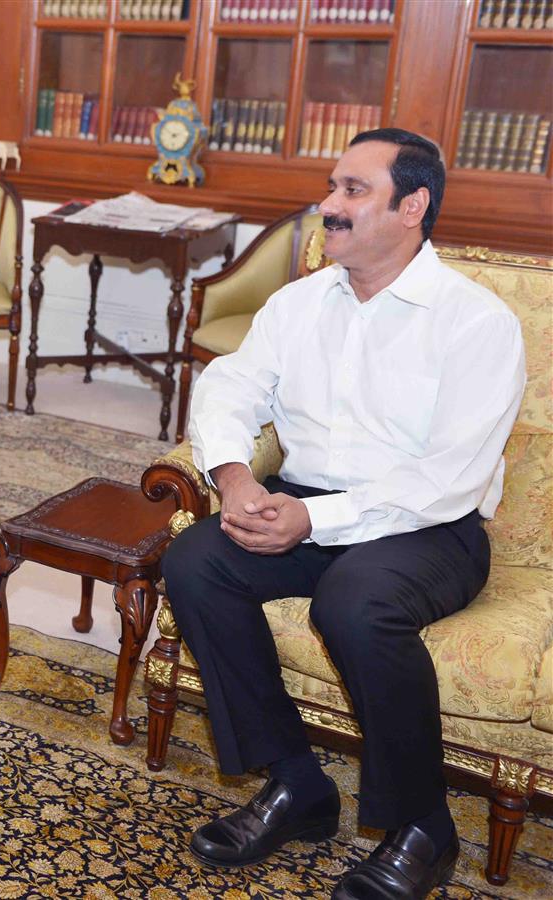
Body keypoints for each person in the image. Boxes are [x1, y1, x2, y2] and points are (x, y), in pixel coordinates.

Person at [163, 129, 525, 900]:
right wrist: (233, 479)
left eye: (353, 191)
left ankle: (423, 826)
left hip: (429, 527)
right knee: (195, 562)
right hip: (309, 504)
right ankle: (298, 784)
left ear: (412, 206)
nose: (328, 207)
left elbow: (448, 479)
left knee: (354, 603)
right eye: (331, 187)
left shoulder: (474, 322)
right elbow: (230, 387)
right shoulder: (298, 303)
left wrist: (313, 523)